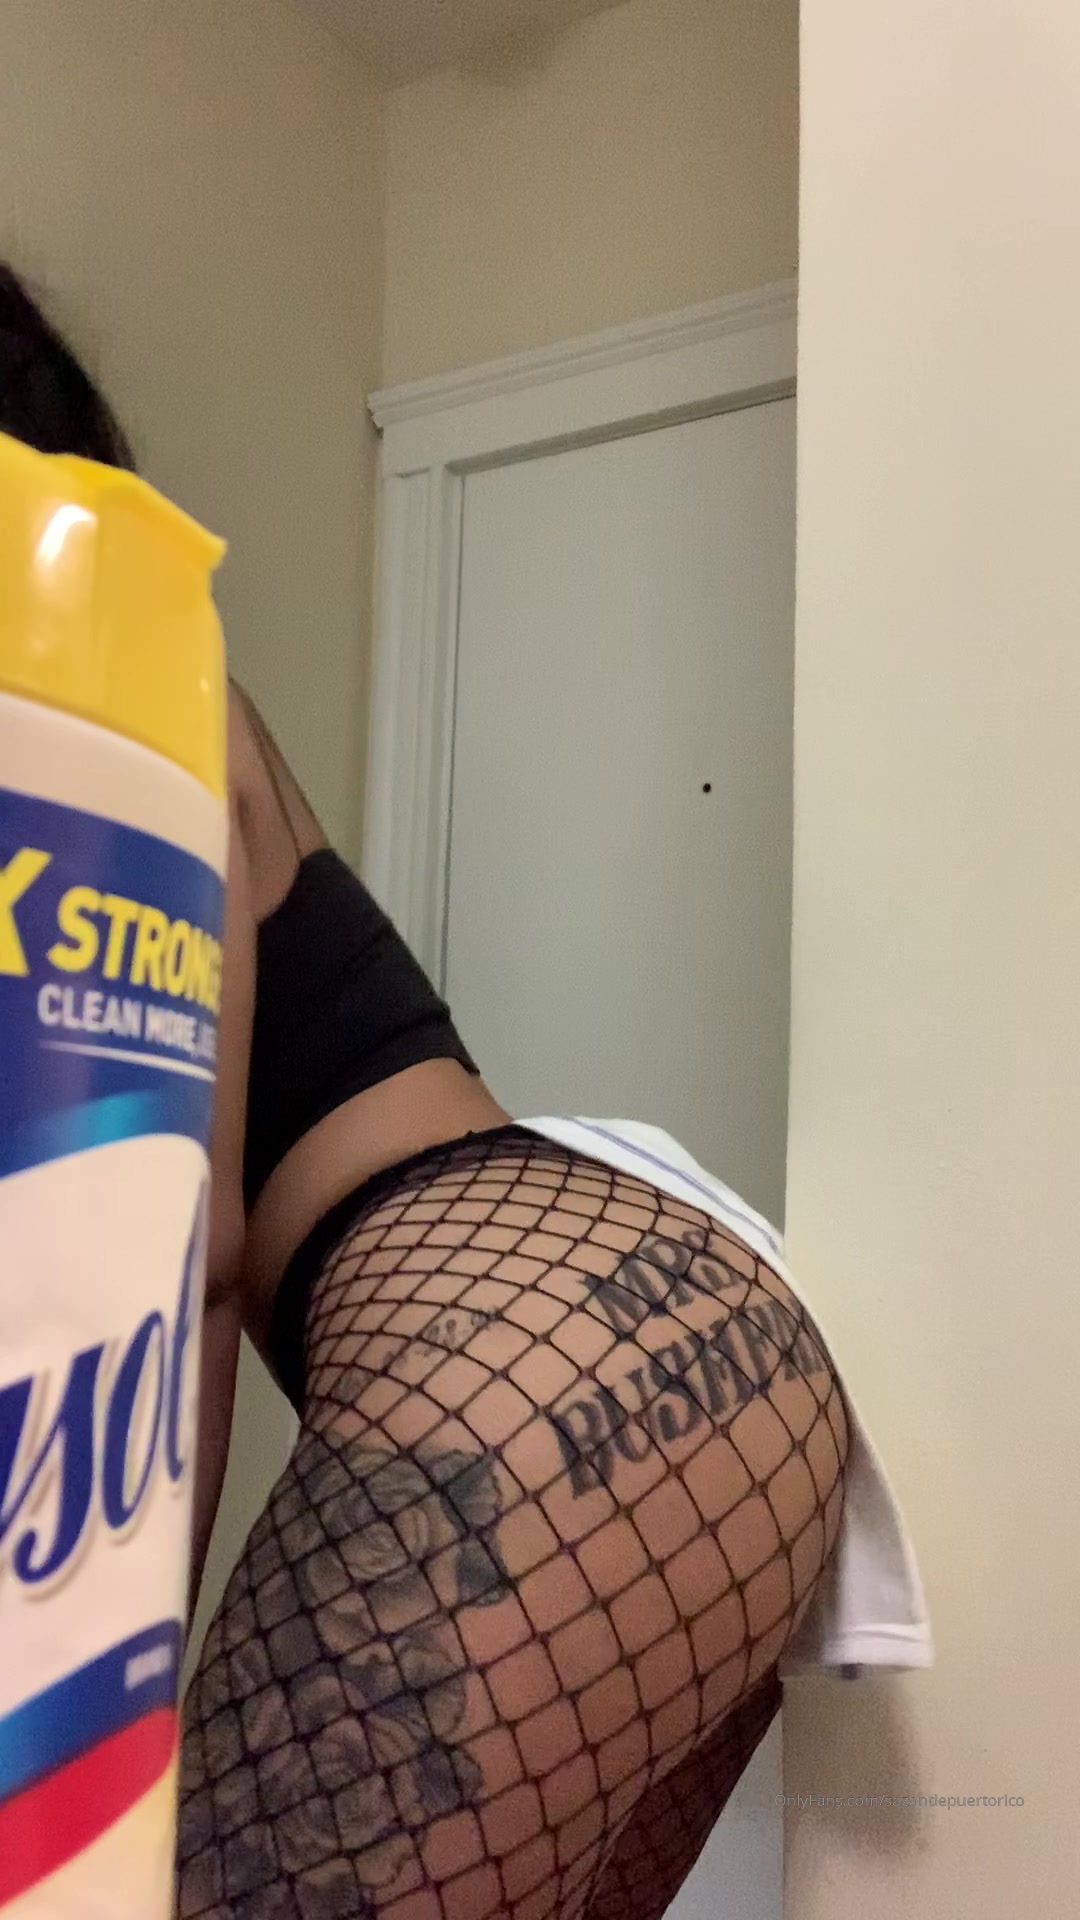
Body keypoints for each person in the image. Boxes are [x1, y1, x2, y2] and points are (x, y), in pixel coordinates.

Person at [0, 269, 924, 1920]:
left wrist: (94, 1773)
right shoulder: (149, 671)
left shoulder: (88, 679)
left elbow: (180, 1258)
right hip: (694, 1358)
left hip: (512, 1389)